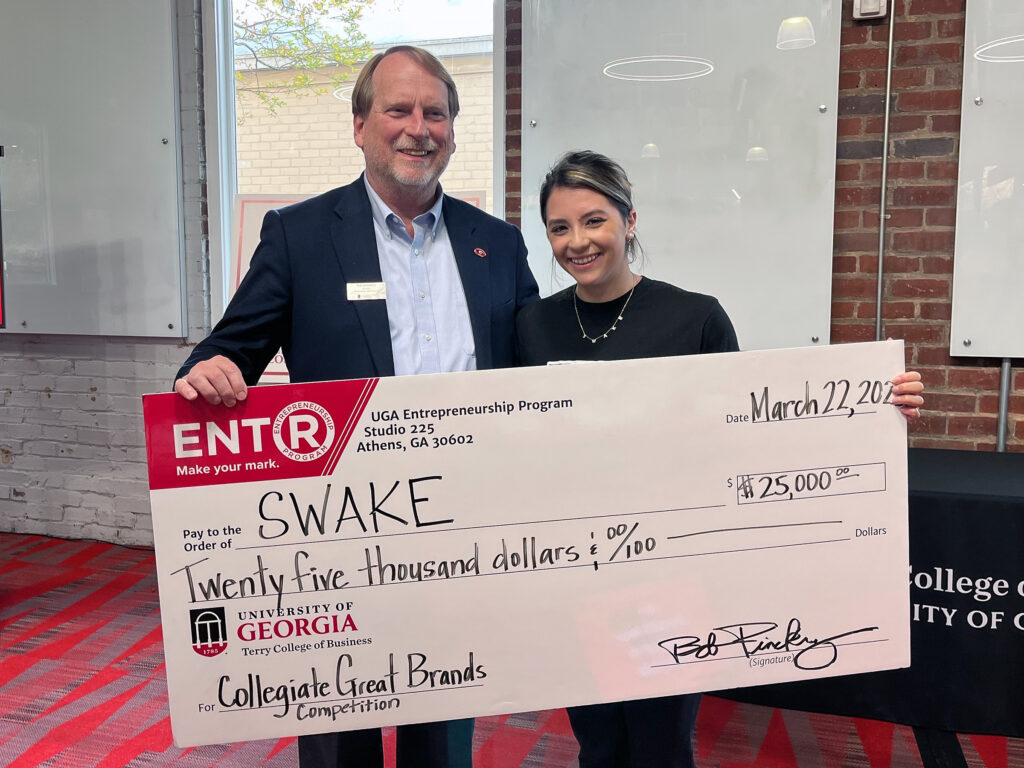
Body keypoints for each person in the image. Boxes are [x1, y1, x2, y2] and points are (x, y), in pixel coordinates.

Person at [174, 45, 539, 768]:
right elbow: (226, 351)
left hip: (463, 529)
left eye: (435, 112)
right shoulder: (301, 236)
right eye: (398, 110)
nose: (418, 128)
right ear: (360, 125)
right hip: (343, 531)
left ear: (453, 130)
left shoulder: (495, 245)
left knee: (445, 706)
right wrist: (210, 368)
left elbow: (536, 374)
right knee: (342, 722)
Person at [515, 150, 925, 768]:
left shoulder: (694, 316)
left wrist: (873, 408)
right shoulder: (531, 325)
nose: (578, 242)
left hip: (671, 568)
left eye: (594, 220)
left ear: (629, 221)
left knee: (659, 742)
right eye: (560, 228)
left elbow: (749, 437)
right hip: (573, 566)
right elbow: (513, 439)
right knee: (597, 742)